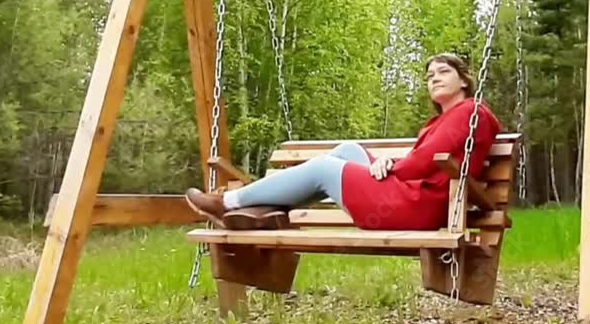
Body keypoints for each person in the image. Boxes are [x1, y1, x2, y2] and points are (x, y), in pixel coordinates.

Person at [184, 53, 503, 231]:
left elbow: (425, 161)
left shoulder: (471, 111)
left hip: (417, 208)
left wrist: (391, 165)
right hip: (410, 196)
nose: (434, 78)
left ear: (464, 80)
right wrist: (389, 164)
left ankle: (228, 203)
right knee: (348, 150)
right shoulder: (439, 121)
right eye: (429, 75)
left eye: (443, 72)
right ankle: (262, 212)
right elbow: (421, 161)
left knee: (324, 168)